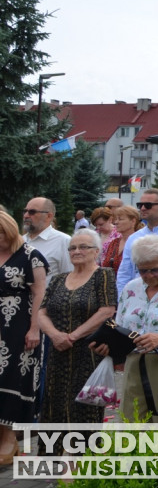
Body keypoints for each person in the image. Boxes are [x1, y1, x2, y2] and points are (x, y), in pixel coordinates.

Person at [92, 234, 158, 422]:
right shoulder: (130, 288)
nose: (149, 275)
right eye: (143, 270)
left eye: (155, 269)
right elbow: (120, 329)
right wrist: (110, 348)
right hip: (135, 366)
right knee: (131, 425)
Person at [37, 229, 117, 438]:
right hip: (57, 351)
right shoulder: (58, 280)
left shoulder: (103, 275)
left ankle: (81, 456)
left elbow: (107, 310)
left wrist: (72, 336)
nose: (76, 251)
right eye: (72, 248)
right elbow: (42, 312)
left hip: (88, 351)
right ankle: (55, 454)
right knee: (55, 401)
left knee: (83, 405)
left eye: (83, 247)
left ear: (96, 251)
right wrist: (55, 335)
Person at [0, 211, 48, 465]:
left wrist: (34, 328)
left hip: (19, 326)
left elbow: (40, 293)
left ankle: (9, 440)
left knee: (14, 379)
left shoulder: (30, 255)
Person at [22, 197, 71, 277]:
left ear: (49, 216)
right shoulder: (20, 241)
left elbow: (69, 276)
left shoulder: (63, 241)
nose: (26, 215)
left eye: (32, 212)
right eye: (25, 211)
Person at [101, 205, 142, 273]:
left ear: (133, 221)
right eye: (116, 219)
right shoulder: (114, 243)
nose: (116, 222)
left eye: (120, 219)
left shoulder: (140, 243)